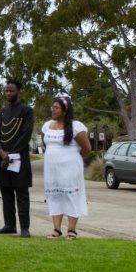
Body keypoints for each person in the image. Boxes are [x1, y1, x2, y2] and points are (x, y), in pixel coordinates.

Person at [41, 96, 91, 239]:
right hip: (51, 169)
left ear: (64, 111)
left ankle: (71, 229)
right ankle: (56, 229)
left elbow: (87, 148)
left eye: (56, 108)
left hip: (71, 168)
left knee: (71, 195)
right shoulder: (47, 126)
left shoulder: (76, 127)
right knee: (54, 195)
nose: (53, 110)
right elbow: (46, 144)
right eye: (53, 107)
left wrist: (72, 158)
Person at [0, 79, 34, 238]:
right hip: (3, 158)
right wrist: (1, 152)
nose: (8, 93)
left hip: (19, 159)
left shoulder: (26, 111)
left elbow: (26, 135)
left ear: (18, 92)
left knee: (22, 194)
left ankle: (24, 227)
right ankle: (9, 225)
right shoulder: (2, 112)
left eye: (11, 91)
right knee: (6, 193)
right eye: (6, 91)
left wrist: (11, 154)